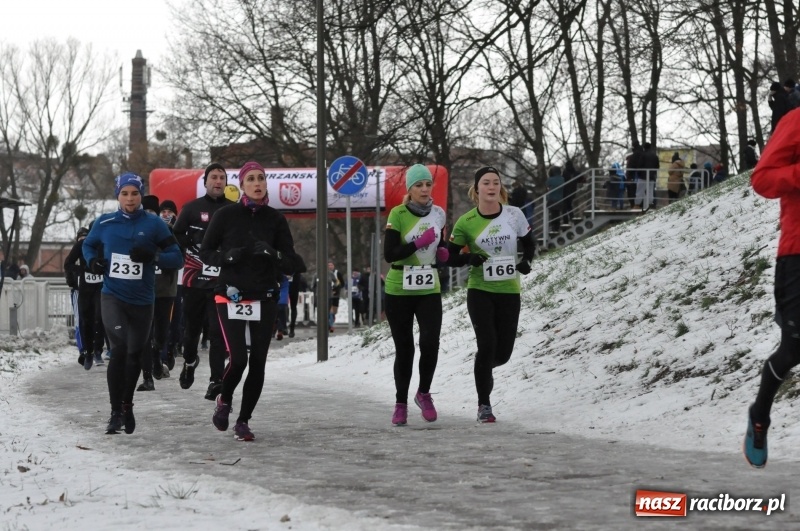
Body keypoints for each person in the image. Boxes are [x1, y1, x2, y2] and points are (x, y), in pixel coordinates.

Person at [200, 161, 299, 441]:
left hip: (264, 297)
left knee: (258, 362)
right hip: (230, 294)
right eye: (251, 179)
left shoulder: (275, 219)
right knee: (239, 358)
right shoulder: (226, 215)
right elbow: (205, 252)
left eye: (261, 179)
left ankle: (243, 421)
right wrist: (226, 258)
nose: (257, 183)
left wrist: (274, 254)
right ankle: (225, 399)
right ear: (241, 185)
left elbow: (292, 262)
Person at [82, 173, 184, 435]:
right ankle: (115, 412)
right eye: (125, 193)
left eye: (135, 193)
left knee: (135, 354)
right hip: (113, 296)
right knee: (119, 350)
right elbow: (89, 246)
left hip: (143, 299)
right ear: (117, 195)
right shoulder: (104, 222)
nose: (130, 198)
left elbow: (177, 257)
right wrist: (93, 262)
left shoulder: (154, 224)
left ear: (141, 195)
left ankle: (127, 405)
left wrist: (155, 255)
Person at [446, 166, 536, 423]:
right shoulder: (466, 222)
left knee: (502, 354)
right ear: (477, 189)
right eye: (486, 182)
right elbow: (449, 257)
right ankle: (484, 404)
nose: (492, 186)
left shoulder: (514, 215)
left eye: (496, 182)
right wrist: (469, 257)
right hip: (480, 291)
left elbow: (529, 243)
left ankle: (483, 367)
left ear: (500, 187)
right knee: (486, 345)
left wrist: (526, 261)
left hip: (509, 290)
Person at [744, 105, 800, 468]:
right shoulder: (795, 121)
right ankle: (760, 415)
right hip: (798, 253)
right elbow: (762, 179)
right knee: (795, 348)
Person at [384, 164, 449, 425]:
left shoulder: (439, 214)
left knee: (430, 342)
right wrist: (416, 243)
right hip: (399, 288)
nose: (424, 189)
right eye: (418, 185)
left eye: (427, 184)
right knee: (405, 349)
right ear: (409, 189)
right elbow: (390, 254)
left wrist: (443, 254)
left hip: (428, 288)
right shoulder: (398, 214)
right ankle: (400, 403)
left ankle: (423, 393)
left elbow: (441, 246)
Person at [172, 162, 234, 400]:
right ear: (205, 182)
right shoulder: (192, 208)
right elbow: (176, 233)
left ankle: (215, 380)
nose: (218, 181)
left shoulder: (231, 209)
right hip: (194, 279)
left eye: (222, 178)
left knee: (218, 333)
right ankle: (189, 361)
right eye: (214, 177)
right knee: (192, 332)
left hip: (220, 280)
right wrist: (189, 244)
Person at [138, 197, 180, 391]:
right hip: (142, 291)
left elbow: (179, 259)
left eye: (151, 212)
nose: (148, 216)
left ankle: (157, 356)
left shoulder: (167, 232)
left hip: (165, 291)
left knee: (161, 334)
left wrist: (155, 258)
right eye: (144, 212)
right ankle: (147, 377)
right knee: (144, 335)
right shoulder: (134, 232)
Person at [64, 225, 105, 369]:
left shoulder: (104, 244)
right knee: (86, 319)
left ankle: (98, 351)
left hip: (101, 286)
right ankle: (88, 352)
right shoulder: (81, 245)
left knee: (99, 318)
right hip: (86, 287)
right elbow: (68, 263)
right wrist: (79, 271)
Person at [545, 165, 564, 233]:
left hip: (551, 199)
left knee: (552, 215)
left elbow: (547, 186)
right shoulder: (562, 179)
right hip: (560, 199)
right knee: (557, 214)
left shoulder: (550, 180)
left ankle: (553, 228)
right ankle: (557, 227)